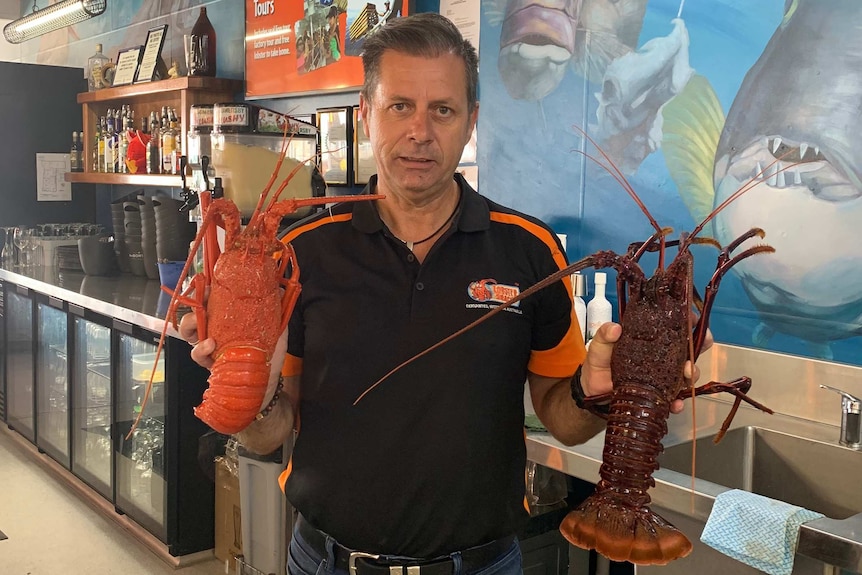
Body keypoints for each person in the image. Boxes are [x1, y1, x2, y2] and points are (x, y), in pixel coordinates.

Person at [180, 12, 696, 575]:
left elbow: (563, 419)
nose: (419, 131)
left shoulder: (529, 249)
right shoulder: (300, 253)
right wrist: (253, 393)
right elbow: (272, 431)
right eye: (399, 106)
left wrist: (603, 390)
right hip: (328, 560)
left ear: (471, 120)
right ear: (366, 114)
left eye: (442, 110)